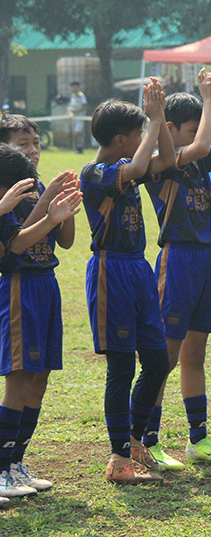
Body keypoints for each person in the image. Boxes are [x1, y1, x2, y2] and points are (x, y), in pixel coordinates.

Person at [142, 69, 211, 468]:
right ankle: (147, 439)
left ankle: (198, 439)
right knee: (165, 357)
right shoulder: (160, 164)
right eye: (188, 128)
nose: (197, 134)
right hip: (179, 259)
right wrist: (206, 101)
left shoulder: (198, 164)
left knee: (195, 355)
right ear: (169, 128)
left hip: (207, 257)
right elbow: (205, 142)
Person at [80, 82, 175, 484]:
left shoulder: (127, 167)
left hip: (137, 269)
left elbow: (166, 160)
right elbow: (137, 167)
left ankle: (135, 443)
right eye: (137, 135)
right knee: (121, 366)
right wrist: (153, 119)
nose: (143, 141)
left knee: (156, 361)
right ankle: (119, 458)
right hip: (110, 271)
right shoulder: (97, 172)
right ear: (121, 139)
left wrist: (160, 121)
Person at [0, 116, 77, 494]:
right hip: (20, 286)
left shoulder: (40, 186)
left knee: (40, 377)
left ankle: (16, 461)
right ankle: (1, 466)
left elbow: (64, 241)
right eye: (22, 143)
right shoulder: (7, 193)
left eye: (35, 142)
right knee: (19, 377)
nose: (32, 150)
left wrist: (67, 208)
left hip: (47, 283)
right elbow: (15, 244)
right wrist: (48, 209)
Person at [68, 82, 88, 154]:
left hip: (80, 117)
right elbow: (71, 106)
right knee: (75, 133)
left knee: (78, 132)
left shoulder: (81, 95)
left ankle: (80, 148)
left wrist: (76, 111)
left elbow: (85, 106)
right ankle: (76, 148)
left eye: (73, 86)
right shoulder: (72, 96)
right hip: (74, 117)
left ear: (77, 87)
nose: (72, 88)